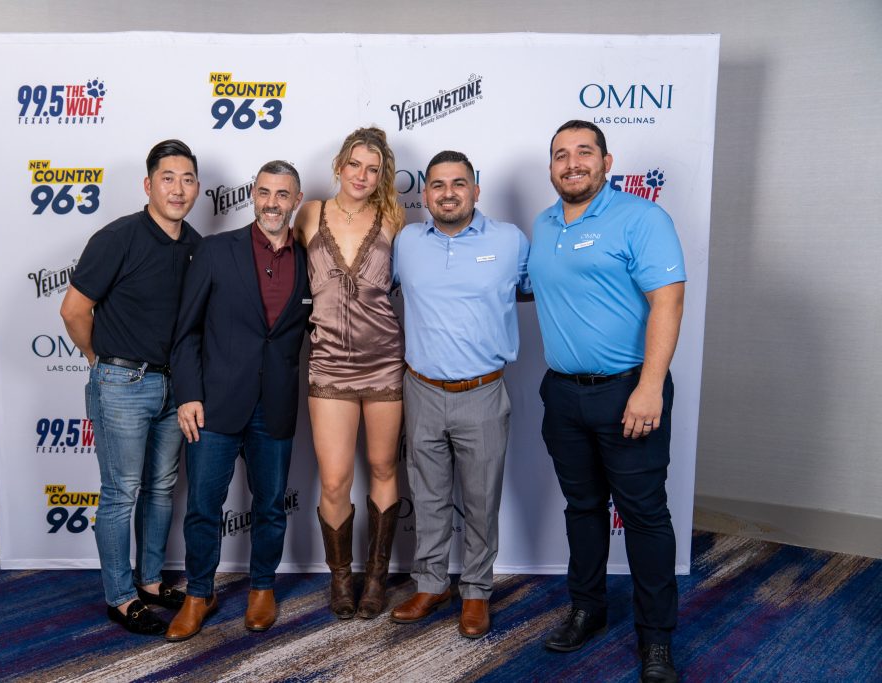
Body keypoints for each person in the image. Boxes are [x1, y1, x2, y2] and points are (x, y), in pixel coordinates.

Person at [528, 120, 685, 683]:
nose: (572, 163)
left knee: (644, 516)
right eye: (561, 155)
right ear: (551, 167)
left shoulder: (642, 218)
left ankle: (656, 639)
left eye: (584, 152)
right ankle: (587, 609)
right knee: (583, 508)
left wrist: (650, 386)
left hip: (628, 392)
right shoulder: (544, 224)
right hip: (563, 393)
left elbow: (668, 302)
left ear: (607, 161)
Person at [59, 139, 202, 635]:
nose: (178, 189)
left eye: (187, 179)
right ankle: (120, 597)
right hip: (122, 382)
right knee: (121, 492)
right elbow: (73, 310)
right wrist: (99, 361)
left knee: (161, 488)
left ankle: (150, 581)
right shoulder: (117, 238)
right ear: (148, 185)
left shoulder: (195, 245)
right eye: (168, 178)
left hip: (171, 386)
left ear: (197, 188)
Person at [165, 160, 311, 641]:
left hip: (277, 403)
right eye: (264, 192)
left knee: (270, 505)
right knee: (204, 506)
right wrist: (188, 395)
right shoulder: (215, 250)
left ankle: (262, 588)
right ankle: (198, 593)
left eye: (283, 194)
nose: (272, 203)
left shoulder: (310, 259)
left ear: (296, 200)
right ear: (253, 195)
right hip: (215, 404)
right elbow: (185, 332)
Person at [389, 150, 531, 639]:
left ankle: (475, 591)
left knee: (480, 499)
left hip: (483, 392)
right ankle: (431, 585)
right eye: (437, 185)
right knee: (427, 496)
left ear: (475, 190)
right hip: (421, 389)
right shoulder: (407, 242)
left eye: (458, 184)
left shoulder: (510, 241)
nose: (448, 193)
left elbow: (540, 290)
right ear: (425, 194)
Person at [293, 127, 405, 620]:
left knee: (383, 468)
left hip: (384, 360)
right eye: (355, 164)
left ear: (382, 176)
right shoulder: (309, 213)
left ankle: (376, 578)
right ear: (339, 165)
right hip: (329, 363)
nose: (362, 175)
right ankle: (341, 578)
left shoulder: (394, 217)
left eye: (373, 169)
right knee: (336, 479)